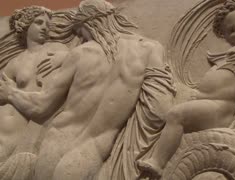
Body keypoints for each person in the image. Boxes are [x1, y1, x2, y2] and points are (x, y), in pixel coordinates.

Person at [0, 0, 175, 179]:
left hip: (56, 142)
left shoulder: (79, 54)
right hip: (92, 148)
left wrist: (10, 93)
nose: (81, 38)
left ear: (88, 25)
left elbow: (41, 107)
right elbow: (160, 110)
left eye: (80, 32)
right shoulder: (150, 49)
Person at [137, 0, 235, 178]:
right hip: (204, 100)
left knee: (177, 115)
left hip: (222, 108)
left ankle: (157, 163)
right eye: (231, 30)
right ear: (225, 38)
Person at [0, 6, 68, 179]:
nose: (45, 27)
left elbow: (79, 63)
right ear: (25, 25)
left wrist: (65, 58)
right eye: (39, 22)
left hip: (29, 131)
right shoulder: (15, 62)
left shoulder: (56, 49)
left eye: (47, 24)